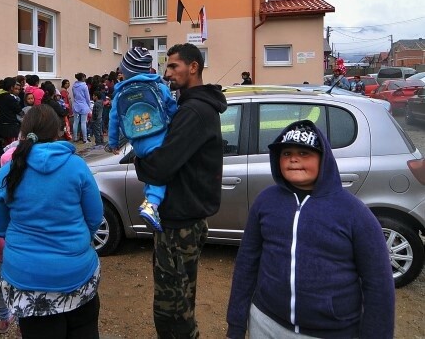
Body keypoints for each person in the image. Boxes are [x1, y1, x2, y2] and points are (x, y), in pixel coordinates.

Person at [226, 120, 395, 338]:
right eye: (286, 153)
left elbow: (379, 285)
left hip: (330, 331)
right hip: (265, 321)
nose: (293, 159)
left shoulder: (354, 213)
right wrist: (236, 324)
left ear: (323, 159)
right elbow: (246, 264)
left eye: (304, 153)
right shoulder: (265, 202)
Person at [134, 43, 227, 338]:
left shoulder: (195, 111)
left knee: (173, 310)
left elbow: (162, 166)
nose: (167, 72)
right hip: (179, 219)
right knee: (176, 302)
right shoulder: (188, 106)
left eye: (174, 66)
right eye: (167, 66)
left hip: (180, 224)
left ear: (193, 67)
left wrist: (139, 159)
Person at [0, 105, 103, 338]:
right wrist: (78, 242)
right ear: (59, 131)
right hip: (76, 273)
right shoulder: (76, 166)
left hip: (25, 277)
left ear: (24, 132)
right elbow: (94, 217)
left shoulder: (10, 170)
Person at [108, 47, 178, 232]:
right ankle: (152, 205)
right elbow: (172, 109)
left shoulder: (120, 94)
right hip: (159, 138)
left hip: (137, 142)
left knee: (151, 174)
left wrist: (113, 143)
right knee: (161, 173)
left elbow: (113, 120)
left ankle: (149, 202)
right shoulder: (158, 87)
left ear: (126, 70)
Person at [0, 77, 23, 147]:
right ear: (11, 87)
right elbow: (19, 111)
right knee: (12, 148)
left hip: (0, 126)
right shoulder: (10, 98)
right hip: (10, 128)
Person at [72, 72, 91, 143]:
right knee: (83, 123)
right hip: (83, 106)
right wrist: (89, 106)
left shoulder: (74, 86)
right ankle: (85, 139)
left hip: (76, 105)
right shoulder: (84, 86)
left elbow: (74, 95)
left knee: (75, 122)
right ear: (82, 78)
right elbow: (87, 98)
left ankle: (75, 138)